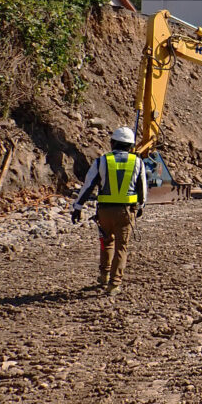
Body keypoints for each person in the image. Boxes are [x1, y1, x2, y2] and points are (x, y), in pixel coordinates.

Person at [70, 126, 147, 296]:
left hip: (104, 212)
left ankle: (104, 275)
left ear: (112, 143)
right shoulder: (138, 162)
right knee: (121, 247)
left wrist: (78, 207)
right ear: (131, 146)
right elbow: (142, 189)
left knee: (106, 242)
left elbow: (88, 186)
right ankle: (114, 284)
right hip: (126, 212)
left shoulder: (102, 161)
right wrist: (141, 206)